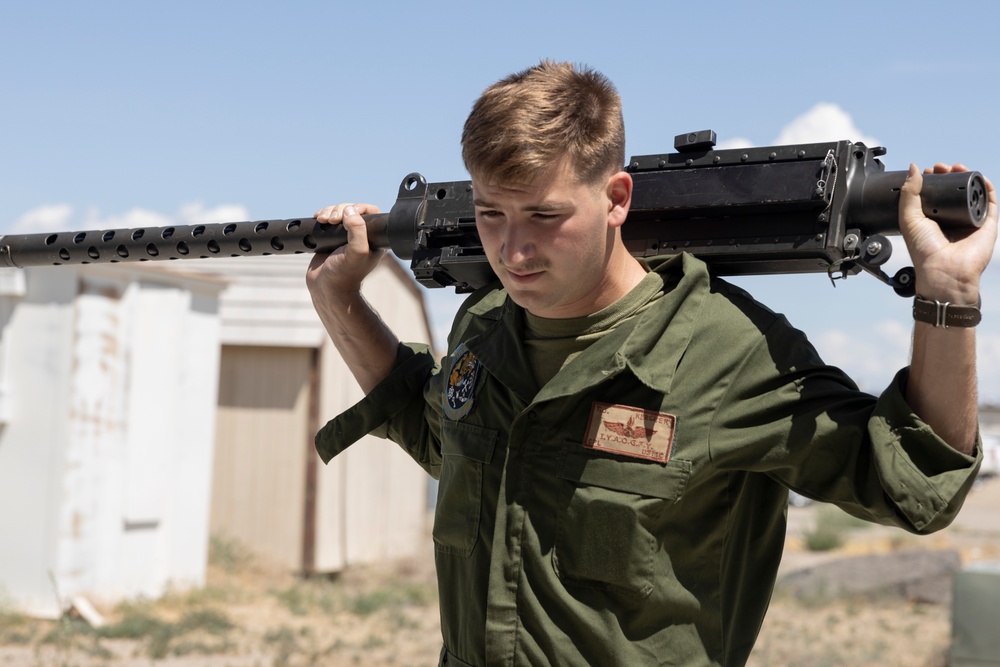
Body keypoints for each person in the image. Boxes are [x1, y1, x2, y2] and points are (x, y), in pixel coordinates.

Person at [305, 61, 997, 666]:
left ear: (616, 199)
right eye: (491, 214)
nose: (512, 251)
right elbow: (443, 441)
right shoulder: (484, 325)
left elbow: (916, 483)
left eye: (544, 216)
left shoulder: (725, 351)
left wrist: (948, 294)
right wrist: (339, 298)